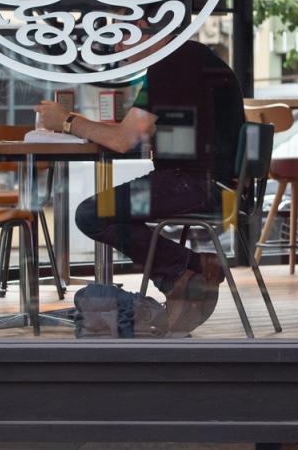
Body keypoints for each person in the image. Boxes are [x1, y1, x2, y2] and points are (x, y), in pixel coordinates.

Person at [35, 34, 244, 336]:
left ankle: (188, 270)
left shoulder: (172, 62)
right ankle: (187, 272)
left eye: (124, 37)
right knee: (104, 211)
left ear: (149, 29)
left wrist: (66, 120)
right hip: (203, 182)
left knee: (92, 214)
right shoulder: (187, 58)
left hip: (196, 184)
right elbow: (137, 129)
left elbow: (122, 141)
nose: (118, 48)